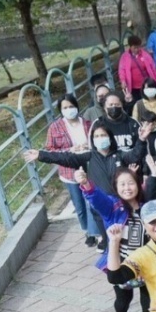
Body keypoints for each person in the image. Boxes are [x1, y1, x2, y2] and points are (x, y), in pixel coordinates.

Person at [24, 123, 148, 240]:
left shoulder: (120, 155)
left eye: (103, 135)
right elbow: (65, 158)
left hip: (121, 206)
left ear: (110, 138)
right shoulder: (89, 157)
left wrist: (141, 140)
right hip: (101, 207)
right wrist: (41, 155)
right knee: (109, 241)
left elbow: (135, 155)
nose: (100, 138)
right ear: (93, 140)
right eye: (97, 136)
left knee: (127, 238)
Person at [83, 167, 153, 312]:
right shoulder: (113, 207)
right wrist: (86, 184)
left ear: (138, 184)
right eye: (122, 184)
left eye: (130, 183)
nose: (127, 188)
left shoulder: (147, 207)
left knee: (148, 302)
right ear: (116, 187)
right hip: (122, 266)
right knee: (123, 300)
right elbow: (97, 199)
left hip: (147, 265)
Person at [43, 94, 100, 249]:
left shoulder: (87, 124)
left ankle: (95, 231)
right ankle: (86, 232)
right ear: (61, 110)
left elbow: (96, 141)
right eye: (65, 108)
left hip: (88, 167)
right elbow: (50, 149)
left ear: (77, 106)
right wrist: (70, 149)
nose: (69, 110)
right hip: (69, 171)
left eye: (71, 106)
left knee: (91, 201)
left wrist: (87, 148)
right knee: (79, 205)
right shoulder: (55, 127)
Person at [119, 37, 156, 104]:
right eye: (135, 47)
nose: (137, 49)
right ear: (130, 47)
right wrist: (123, 80)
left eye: (138, 47)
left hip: (145, 85)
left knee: (148, 101)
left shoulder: (145, 55)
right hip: (133, 87)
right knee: (137, 103)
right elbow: (122, 70)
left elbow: (152, 69)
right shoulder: (125, 57)